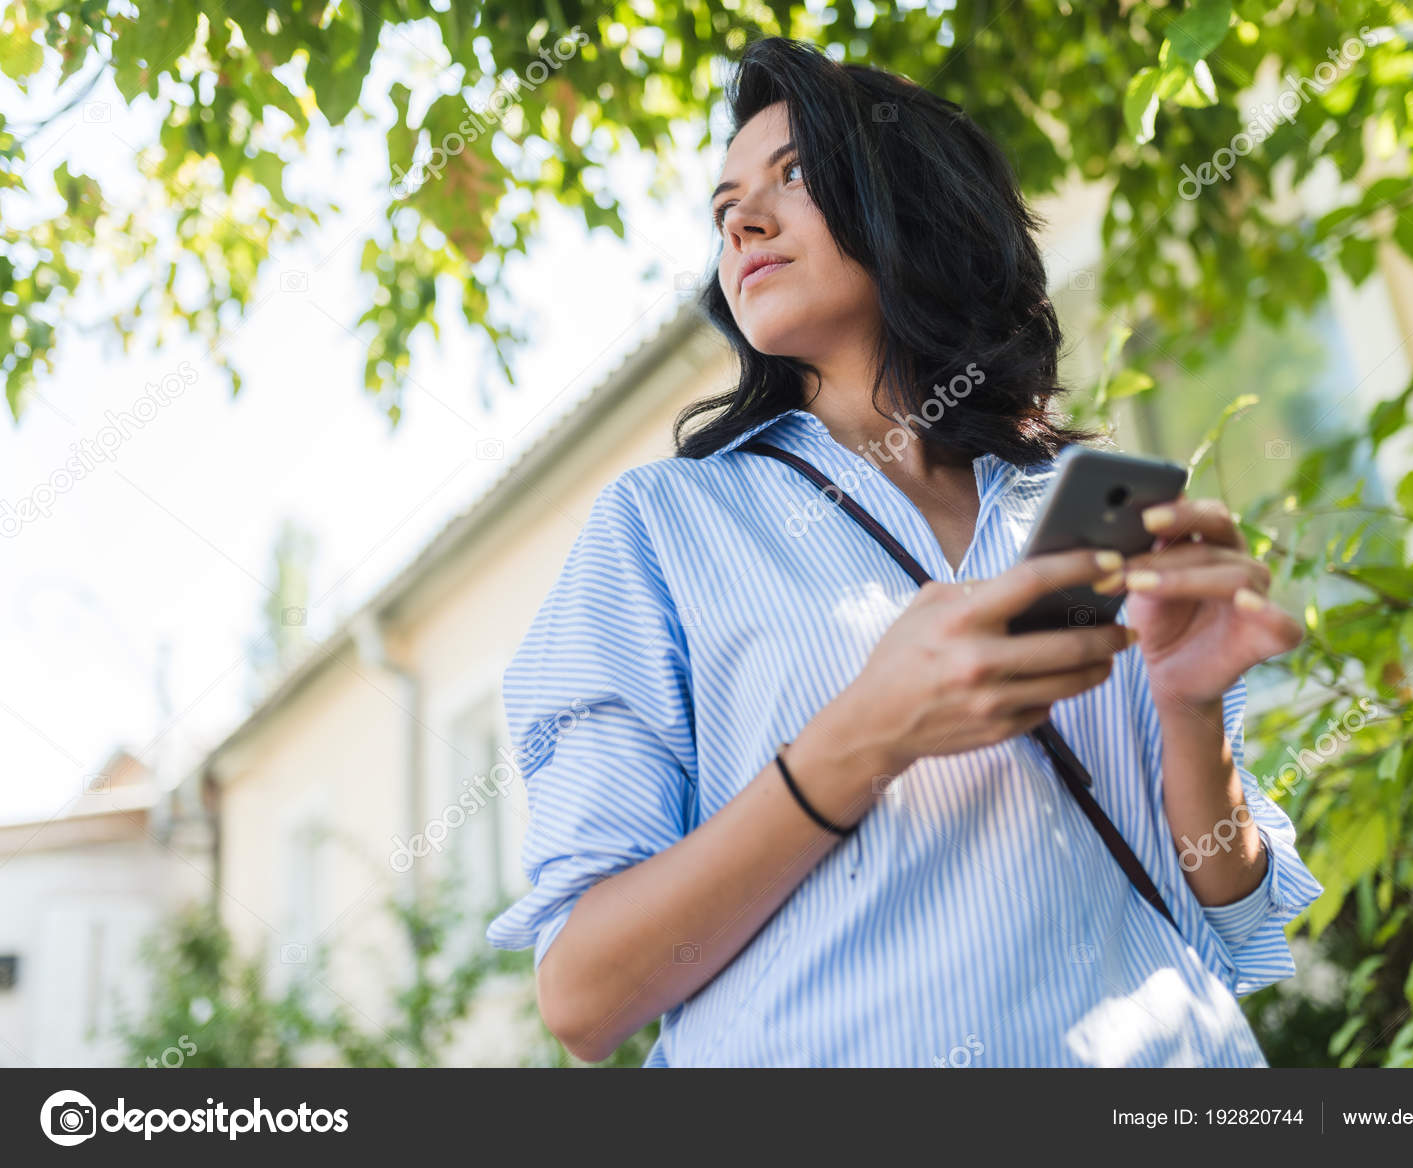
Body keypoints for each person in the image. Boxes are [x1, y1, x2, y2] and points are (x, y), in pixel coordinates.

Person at [487, 36, 1322, 1067]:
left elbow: (1235, 921)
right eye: (724, 206)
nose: (742, 219)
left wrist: (1196, 721)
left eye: (793, 175)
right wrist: (865, 736)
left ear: (916, 202)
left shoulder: (1085, 504)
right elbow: (582, 996)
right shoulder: (661, 528)